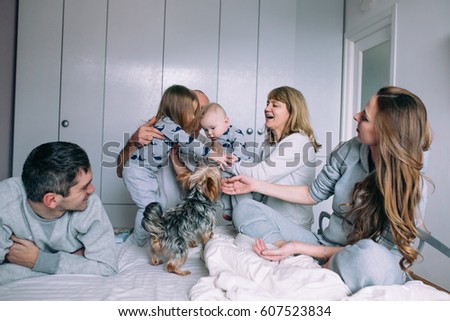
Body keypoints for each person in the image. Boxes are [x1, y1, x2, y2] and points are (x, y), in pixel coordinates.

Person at [222, 86, 431, 293]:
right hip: (324, 244)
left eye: (365, 117)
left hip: (363, 256)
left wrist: (302, 248)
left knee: (370, 259)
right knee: (246, 208)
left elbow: (384, 253)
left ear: (386, 133)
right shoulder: (349, 149)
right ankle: (297, 257)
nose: (355, 116)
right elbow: (312, 194)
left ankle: (316, 265)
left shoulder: (412, 186)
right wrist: (255, 185)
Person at [121, 85, 226, 246]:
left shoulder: (205, 143)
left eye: (202, 111)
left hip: (180, 222)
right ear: (179, 110)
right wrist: (133, 142)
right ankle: (138, 242)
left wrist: (182, 164)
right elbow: (120, 169)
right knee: (149, 208)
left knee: (158, 205)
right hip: (140, 171)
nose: (197, 116)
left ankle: (149, 239)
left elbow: (204, 195)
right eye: (193, 111)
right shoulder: (165, 128)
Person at [0, 142, 118, 285]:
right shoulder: (5, 200)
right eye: (84, 187)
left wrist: (39, 260)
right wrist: (76, 259)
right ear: (51, 200)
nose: (92, 190)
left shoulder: (89, 203)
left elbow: (107, 268)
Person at [224, 86, 321, 229]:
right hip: (270, 217)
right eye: (267, 103)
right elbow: (255, 180)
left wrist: (229, 164)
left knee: (234, 174)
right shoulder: (268, 144)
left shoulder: (297, 141)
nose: (267, 108)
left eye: (275, 105)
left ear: (292, 113)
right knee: (235, 179)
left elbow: (261, 175)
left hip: (292, 224)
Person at [116, 89, 210, 178]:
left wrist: (177, 162)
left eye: (202, 110)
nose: (196, 114)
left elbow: (206, 191)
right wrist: (132, 143)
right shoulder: (153, 133)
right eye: (192, 108)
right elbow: (120, 172)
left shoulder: (209, 146)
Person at [199, 102, 253, 220]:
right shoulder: (214, 139)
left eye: (212, 128)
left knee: (239, 191)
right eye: (205, 130)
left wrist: (236, 156)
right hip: (228, 168)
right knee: (222, 183)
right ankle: (228, 208)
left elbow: (240, 145)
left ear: (226, 122)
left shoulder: (234, 132)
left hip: (242, 165)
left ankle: (244, 211)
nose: (209, 133)